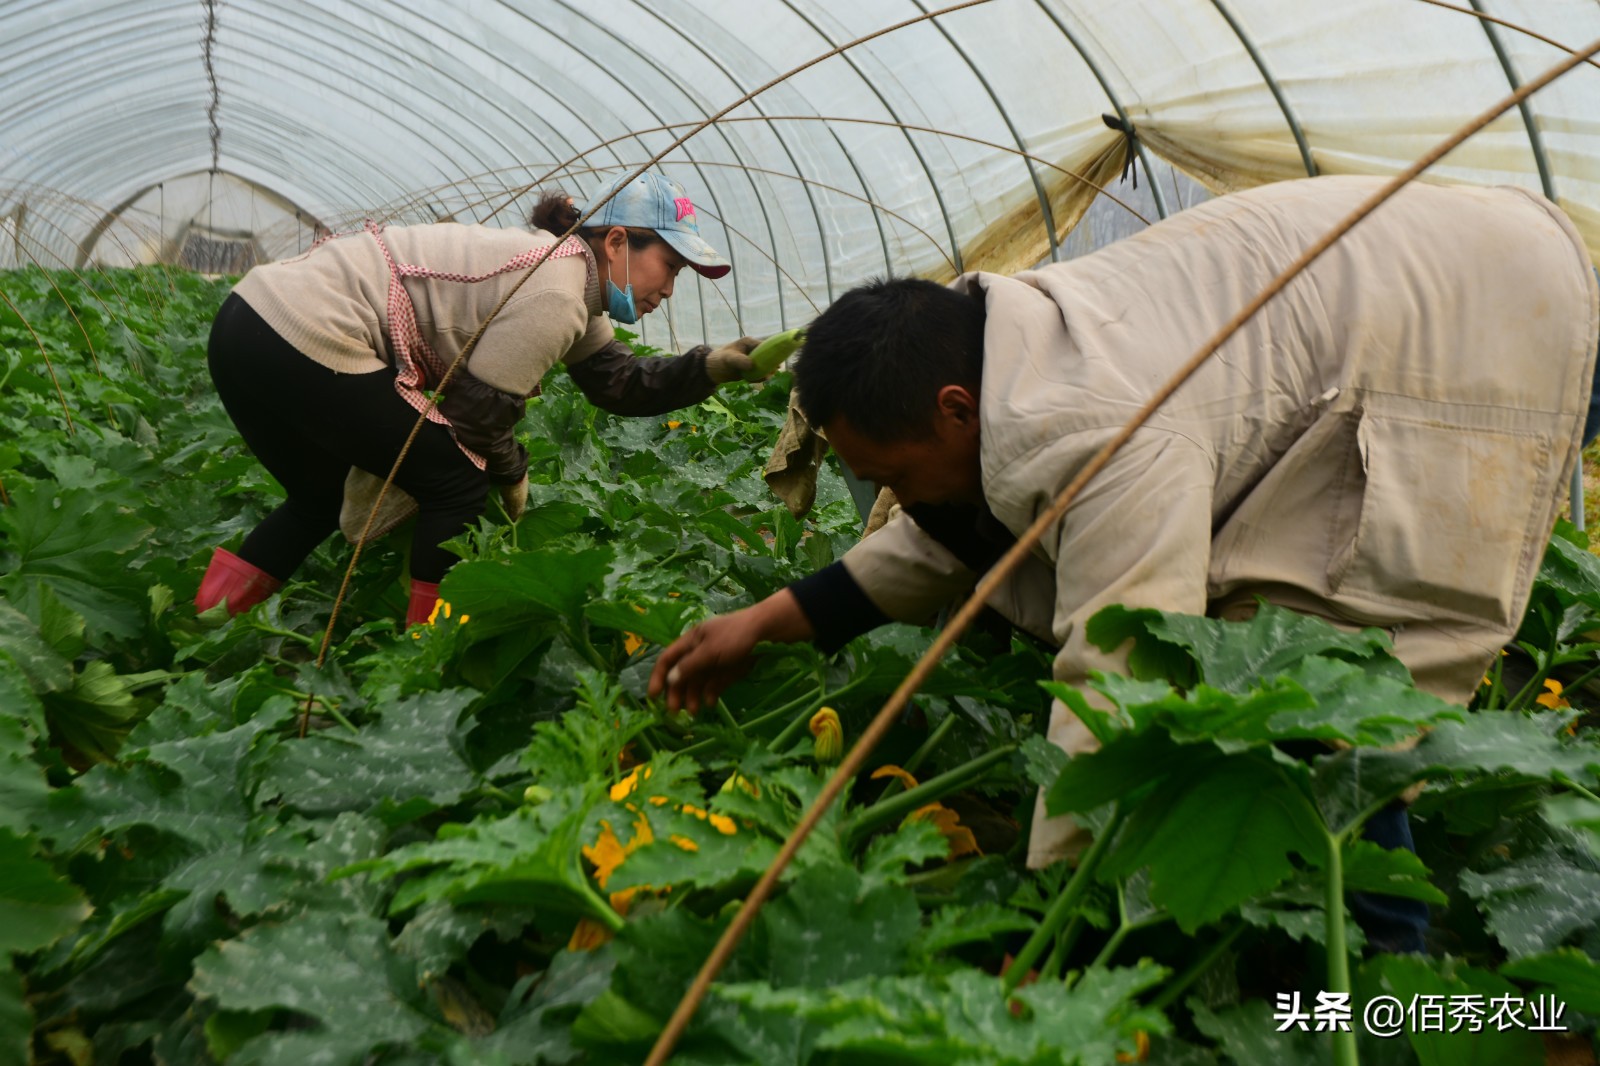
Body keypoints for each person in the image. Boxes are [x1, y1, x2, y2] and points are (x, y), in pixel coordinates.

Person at [648, 175, 1600, 953]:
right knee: (1275, 672)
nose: (894, 496)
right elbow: (949, 532)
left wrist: (1052, 924)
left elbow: (1112, 675)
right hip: (1377, 295)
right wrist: (766, 620)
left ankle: (1389, 988)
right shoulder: (999, 352)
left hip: (1489, 319)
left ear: (952, 408)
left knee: (1333, 673)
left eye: (891, 475)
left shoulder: (1101, 432)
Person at [197, 171, 764, 625]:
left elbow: (620, 382)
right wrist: (513, 477)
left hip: (247, 323)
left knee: (320, 494)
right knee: (456, 480)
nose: (668, 289)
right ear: (617, 241)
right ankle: (430, 656)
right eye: (669, 266)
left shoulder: (574, 285)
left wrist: (711, 366)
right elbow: (475, 421)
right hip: (301, 330)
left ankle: (211, 626)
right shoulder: (557, 291)